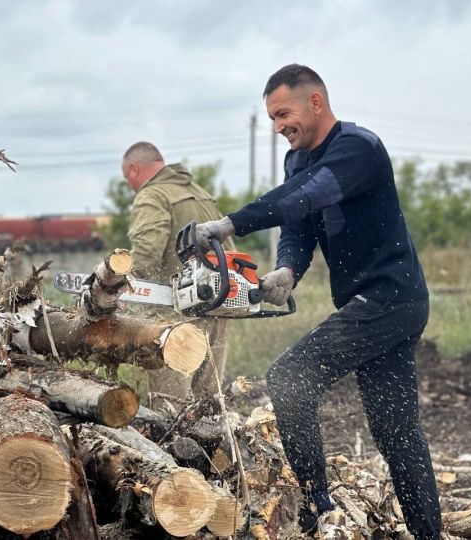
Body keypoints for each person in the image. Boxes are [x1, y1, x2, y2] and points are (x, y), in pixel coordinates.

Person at [194, 65, 441, 538]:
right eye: (270, 118)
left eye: (283, 113)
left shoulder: (358, 150)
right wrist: (288, 270)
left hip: (392, 298)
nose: (278, 126)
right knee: (395, 431)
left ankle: (316, 505)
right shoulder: (296, 160)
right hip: (371, 304)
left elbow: (304, 198)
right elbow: (298, 228)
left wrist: (229, 225)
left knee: (289, 376)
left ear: (315, 103)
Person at [122, 142, 231, 409]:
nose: (130, 186)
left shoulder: (153, 195)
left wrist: (117, 283)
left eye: (127, 179)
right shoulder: (198, 192)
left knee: (170, 406)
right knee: (208, 403)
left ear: (134, 169)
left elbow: (146, 256)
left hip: (177, 314)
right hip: (218, 306)